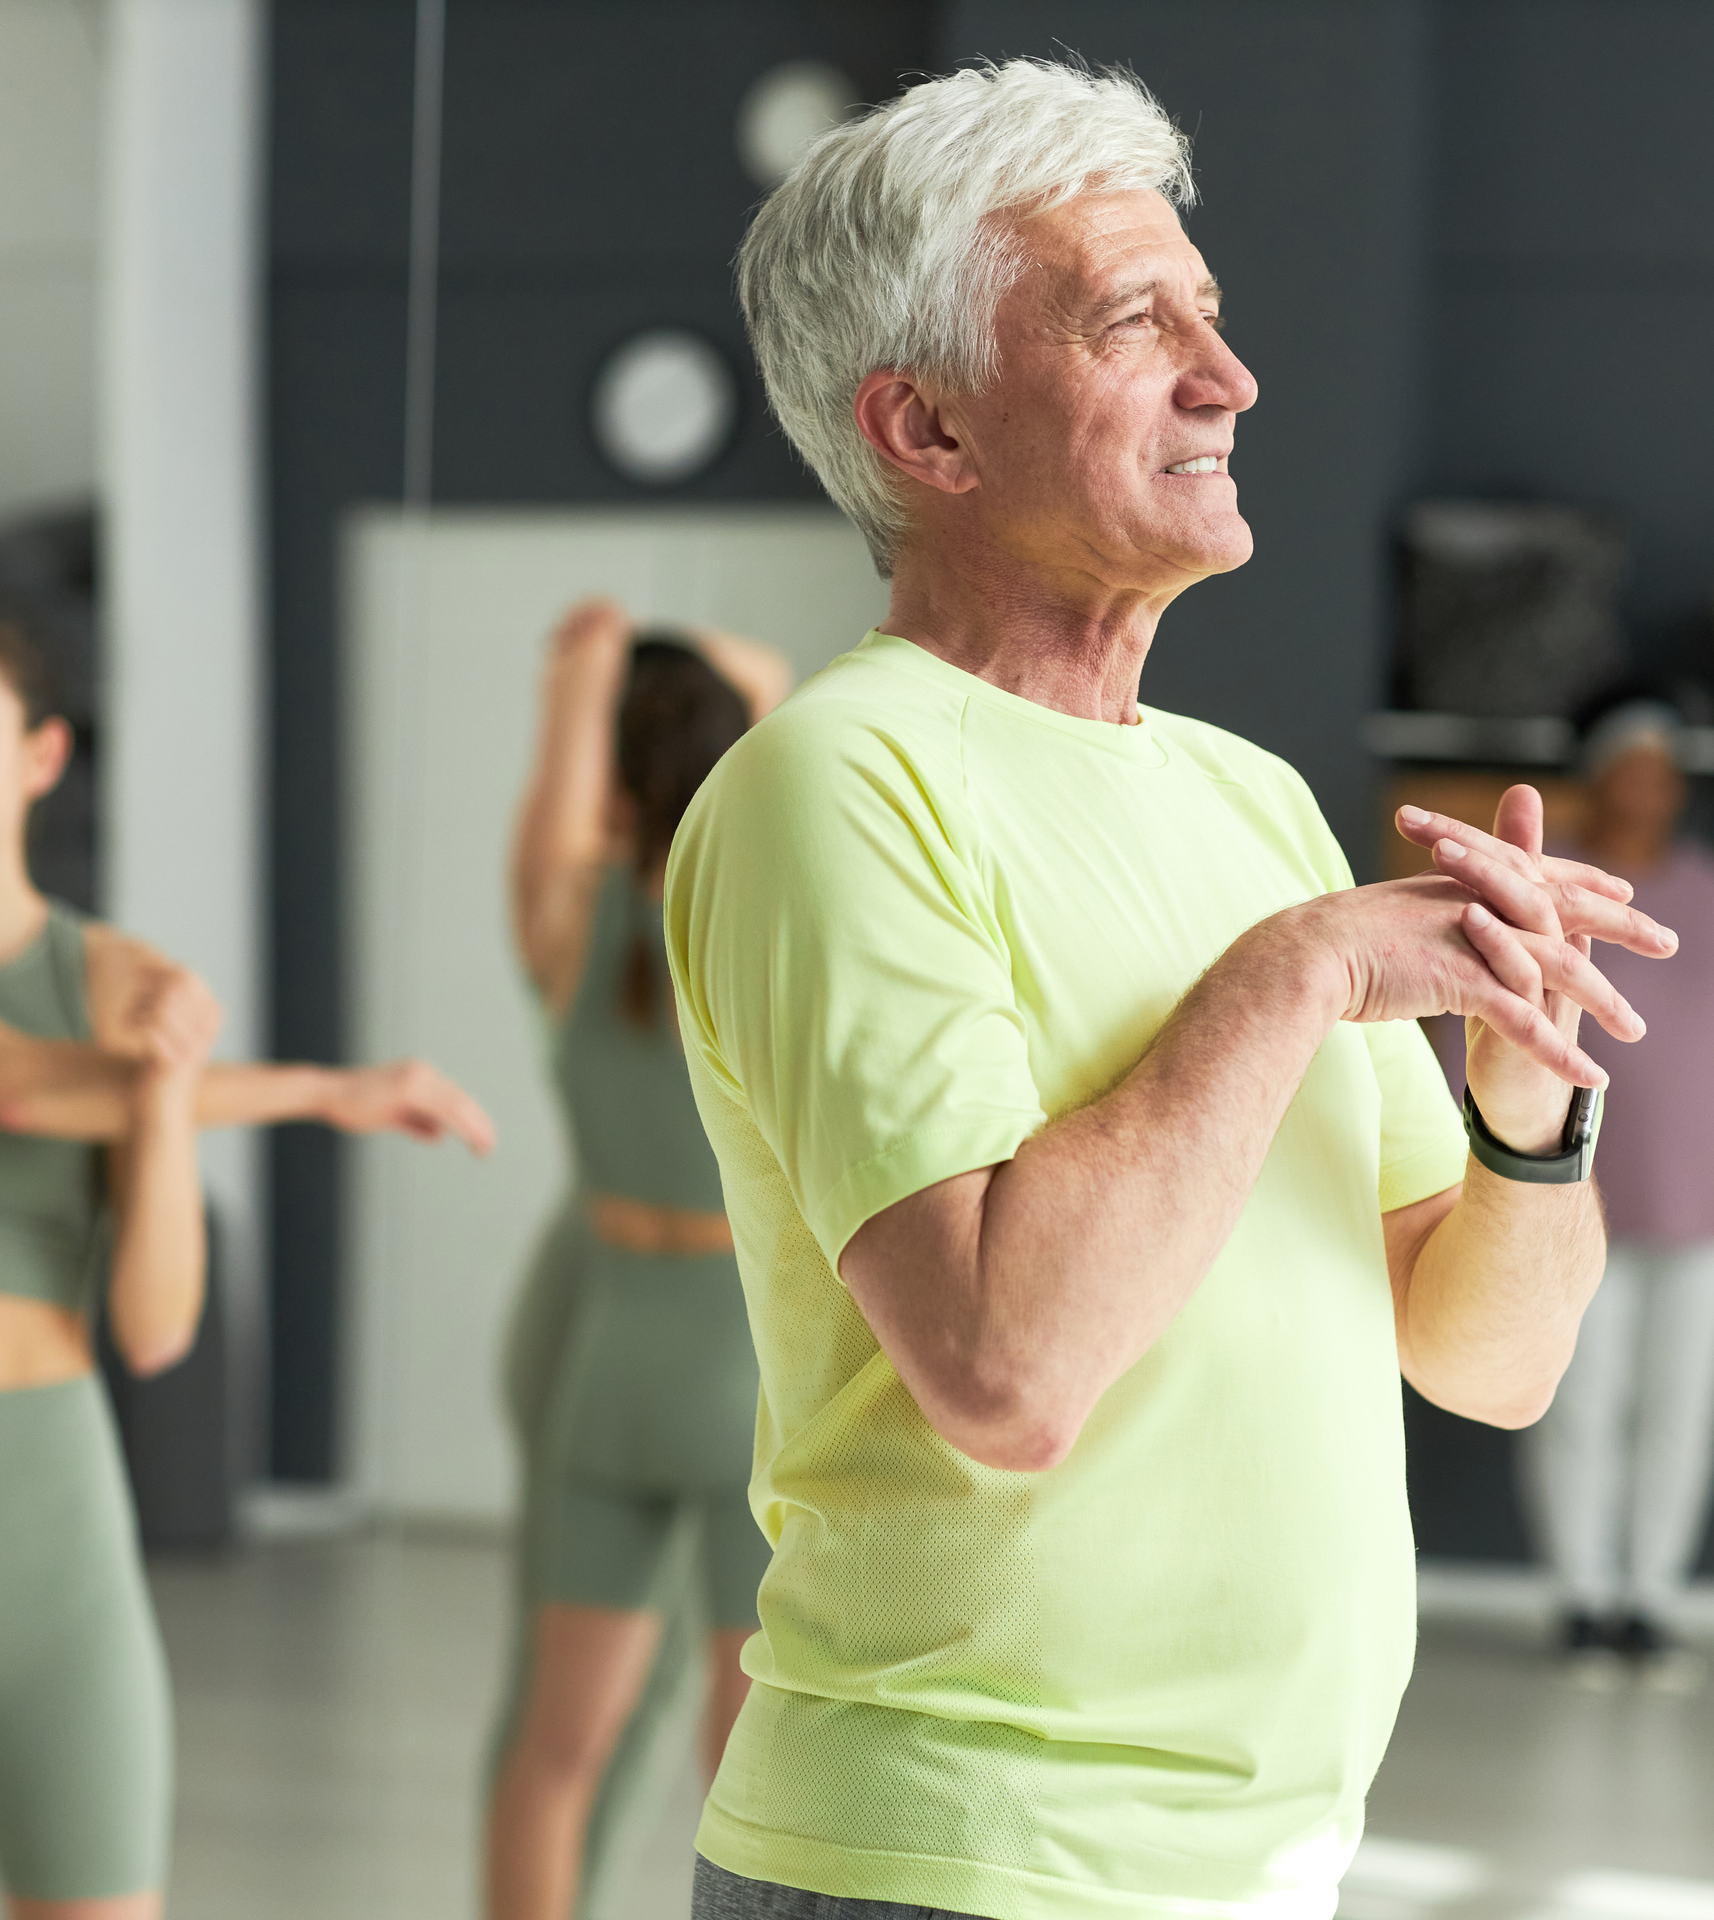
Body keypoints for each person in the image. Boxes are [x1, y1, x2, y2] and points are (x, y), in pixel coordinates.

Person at [663, 58, 1676, 1920]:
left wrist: (1525, 1102)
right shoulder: (835, 786)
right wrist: (1293, 973)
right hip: (958, 1859)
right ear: (931, 432)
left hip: (1256, 1862)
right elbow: (1005, 1373)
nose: (1232, 379)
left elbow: (1487, 1359)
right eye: (1140, 323)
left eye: (1211, 313)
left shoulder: (1247, 796)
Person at [0, 602, 494, 1920]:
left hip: (41, 1543)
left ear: (43, 756)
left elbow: (159, 1328)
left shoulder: (115, 977)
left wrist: (169, 1095)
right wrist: (316, 1089)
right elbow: (4, 1084)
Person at [486, 598, 790, 1920]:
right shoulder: (777, 912)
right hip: (752, 1374)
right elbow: (776, 715)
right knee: (751, 1777)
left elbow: (564, 784)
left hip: (609, 1368)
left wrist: (583, 673)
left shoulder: (566, 925)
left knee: (553, 1756)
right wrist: (723, 687)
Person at [1521, 701, 1714, 1687]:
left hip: (1697, 1203)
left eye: (1663, 767)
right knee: (1578, 1399)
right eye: (1629, 766)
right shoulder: (1552, 888)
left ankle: (1651, 1601)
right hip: (1573, 1190)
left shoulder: (1708, 894)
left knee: (1681, 1407)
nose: (1649, 785)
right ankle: (1583, 1598)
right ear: (1597, 779)